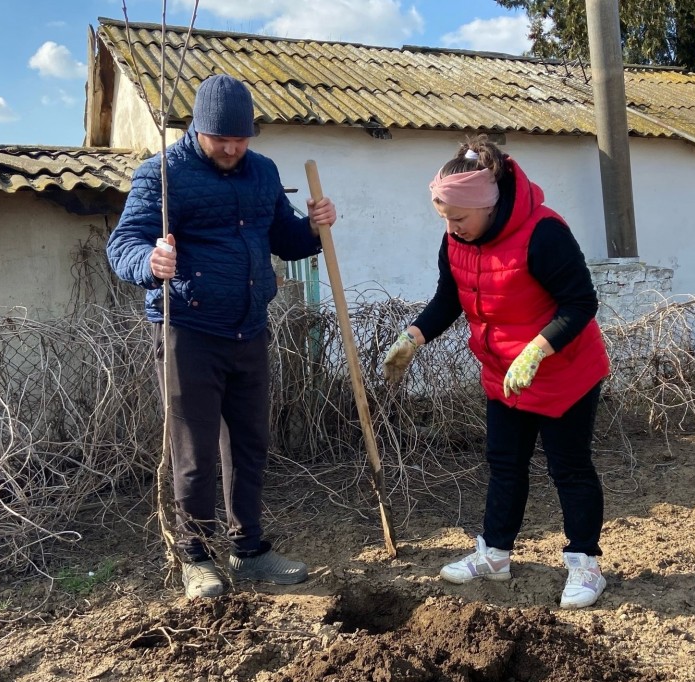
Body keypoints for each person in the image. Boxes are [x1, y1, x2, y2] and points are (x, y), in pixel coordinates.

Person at [107, 74, 336, 600]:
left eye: (241, 139)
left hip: (251, 329)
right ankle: (194, 556)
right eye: (220, 140)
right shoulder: (162, 176)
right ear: (196, 129)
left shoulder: (263, 172)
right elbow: (123, 244)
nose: (232, 149)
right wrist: (150, 260)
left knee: (251, 445)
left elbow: (285, 236)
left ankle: (250, 550)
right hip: (189, 330)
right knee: (196, 453)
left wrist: (315, 228)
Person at [383, 135, 610, 609]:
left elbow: (580, 302)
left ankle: (585, 563)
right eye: (444, 218)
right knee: (504, 464)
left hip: (564, 370)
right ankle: (495, 555)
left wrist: (537, 351)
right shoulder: (456, 238)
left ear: (488, 205)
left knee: (568, 468)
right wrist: (413, 337)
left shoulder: (544, 233)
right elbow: (451, 298)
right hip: (503, 372)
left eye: (459, 218)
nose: (452, 227)